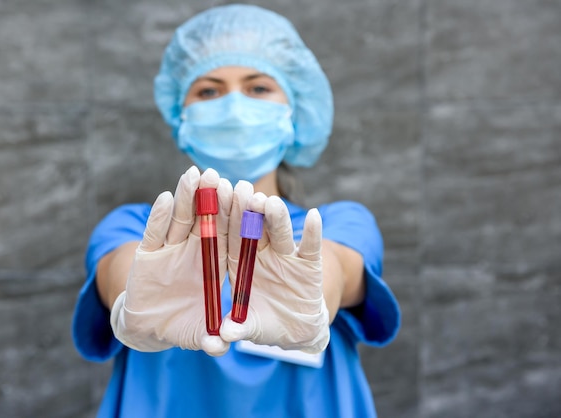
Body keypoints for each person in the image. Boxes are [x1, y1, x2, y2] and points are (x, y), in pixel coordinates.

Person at [72, 4, 400, 417]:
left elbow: (336, 270)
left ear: (295, 108)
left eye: (258, 87)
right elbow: (120, 275)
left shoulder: (339, 225)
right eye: (208, 90)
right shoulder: (135, 227)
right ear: (181, 112)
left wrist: (315, 298)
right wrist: (133, 297)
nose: (233, 107)